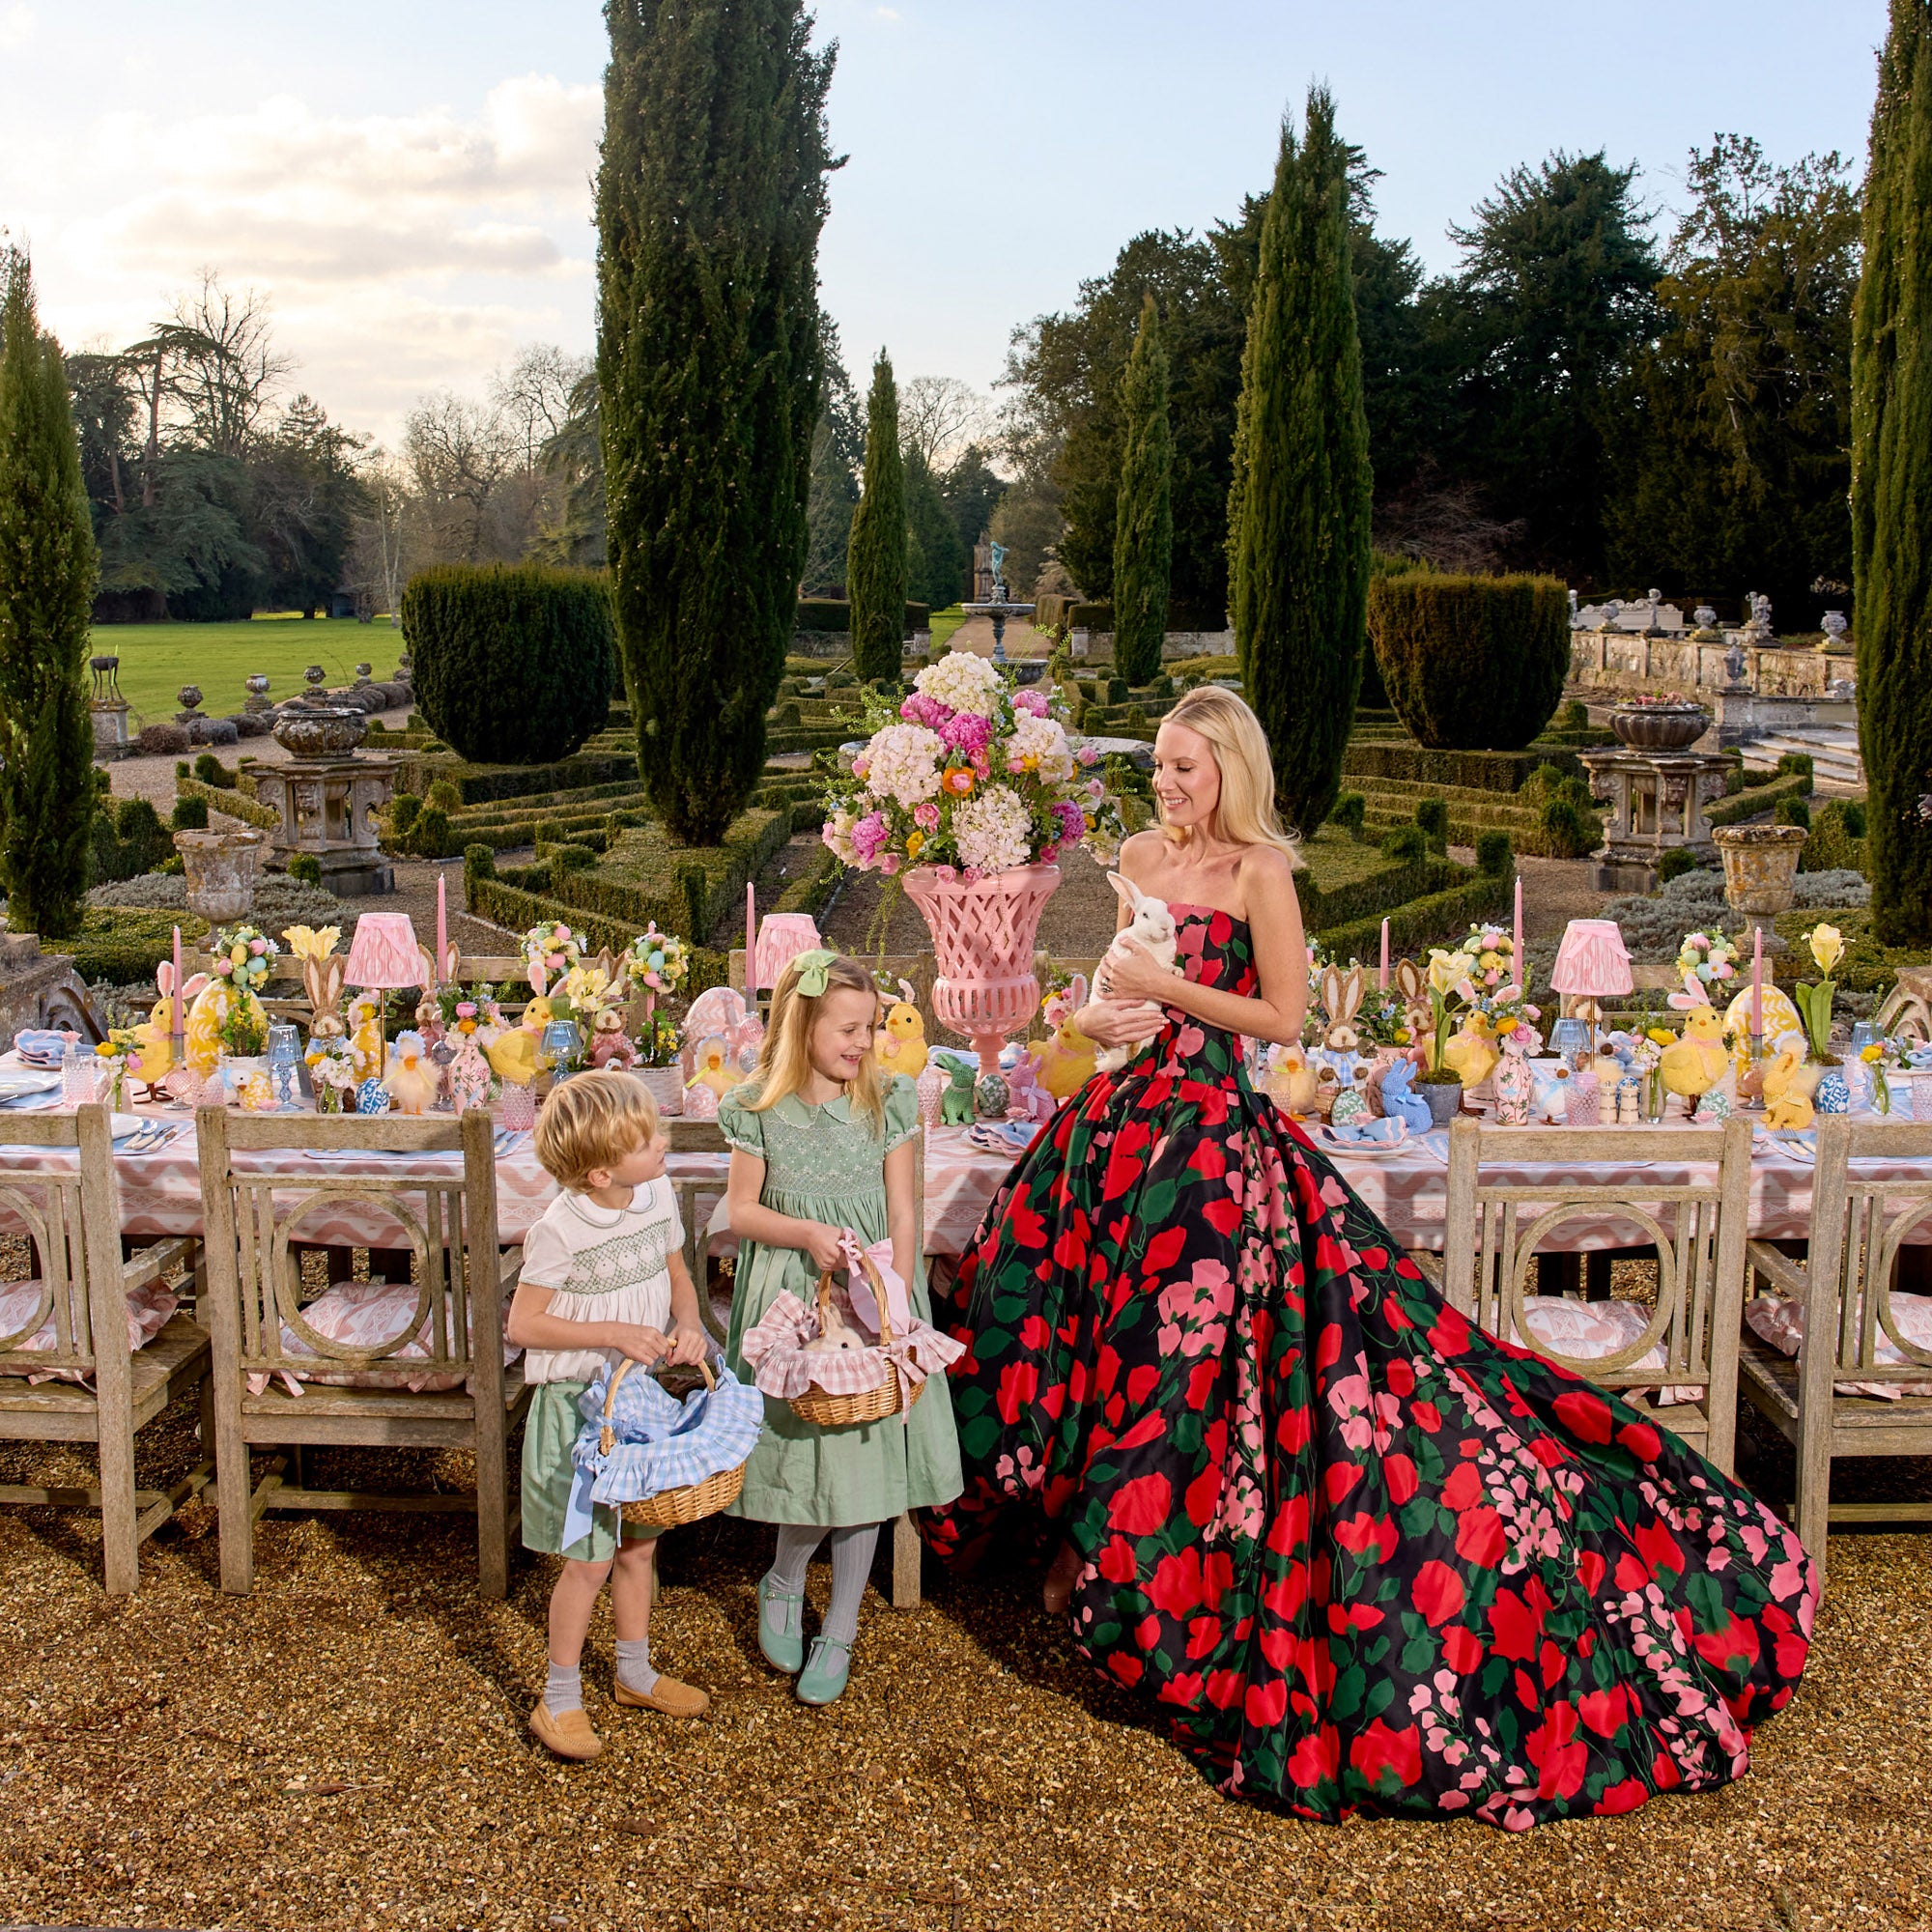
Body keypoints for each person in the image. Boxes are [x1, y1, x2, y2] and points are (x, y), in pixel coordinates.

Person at [920, 684, 1819, 1829]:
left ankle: (1133, 1571)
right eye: (1159, 761)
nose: (1165, 781)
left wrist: (1166, 988)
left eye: (1186, 765)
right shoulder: (1138, 853)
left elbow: (1284, 1019)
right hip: (1114, 1124)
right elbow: (1115, 990)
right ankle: (1075, 1541)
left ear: (1231, 770)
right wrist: (1105, 1013)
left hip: (1208, 1138)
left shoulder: (1260, 874)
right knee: (1063, 1311)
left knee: (1179, 1362)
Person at [723, 950, 962, 1707]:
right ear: (804, 1024)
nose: (863, 1043)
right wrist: (804, 1234)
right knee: (808, 1453)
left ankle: (844, 1625)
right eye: (849, 1029)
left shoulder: (885, 1100)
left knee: (866, 1467)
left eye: (869, 1029)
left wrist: (898, 1299)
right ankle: (784, 1578)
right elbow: (741, 1212)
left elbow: (901, 1208)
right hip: (796, 1294)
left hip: (872, 1294)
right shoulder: (759, 1105)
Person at [508, 1070, 712, 1762]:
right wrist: (614, 1334)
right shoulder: (559, 1229)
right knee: (588, 1563)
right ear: (598, 1172)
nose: (664, 1140)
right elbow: (524, 1324)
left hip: (639, 1405)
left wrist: (688, 1324)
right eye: (648, 1137)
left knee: (640, 1546)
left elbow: (678, 1274)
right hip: (579, 1413)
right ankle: (558, 1699)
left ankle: (633, 1673)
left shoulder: (655, 1193)